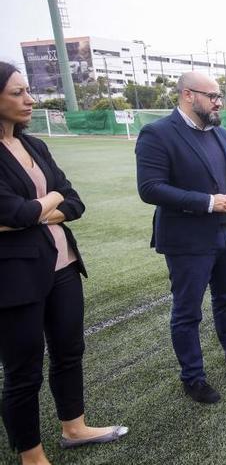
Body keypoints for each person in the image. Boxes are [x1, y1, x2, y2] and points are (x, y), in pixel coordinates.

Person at [0, 62, 126, 464]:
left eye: (27, 91)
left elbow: (73, 200)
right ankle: (32, 456)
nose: (30, 99)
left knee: (69, 351)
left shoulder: (34, 144)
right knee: (23, 373)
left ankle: (74, 427)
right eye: (18, 92)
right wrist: (42, 205)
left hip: (63, 265)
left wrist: (43, 205)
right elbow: (15, 213)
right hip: (15, 277)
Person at [135, 72, 226, 405]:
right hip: (188, 239)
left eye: (219, 95)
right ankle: (192, 377)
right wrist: (206, 202)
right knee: (187, 311)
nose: (219, 101)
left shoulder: (221, 133)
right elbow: (150, 188)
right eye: (213, 96)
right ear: (188, 95)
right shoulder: (158, 133)